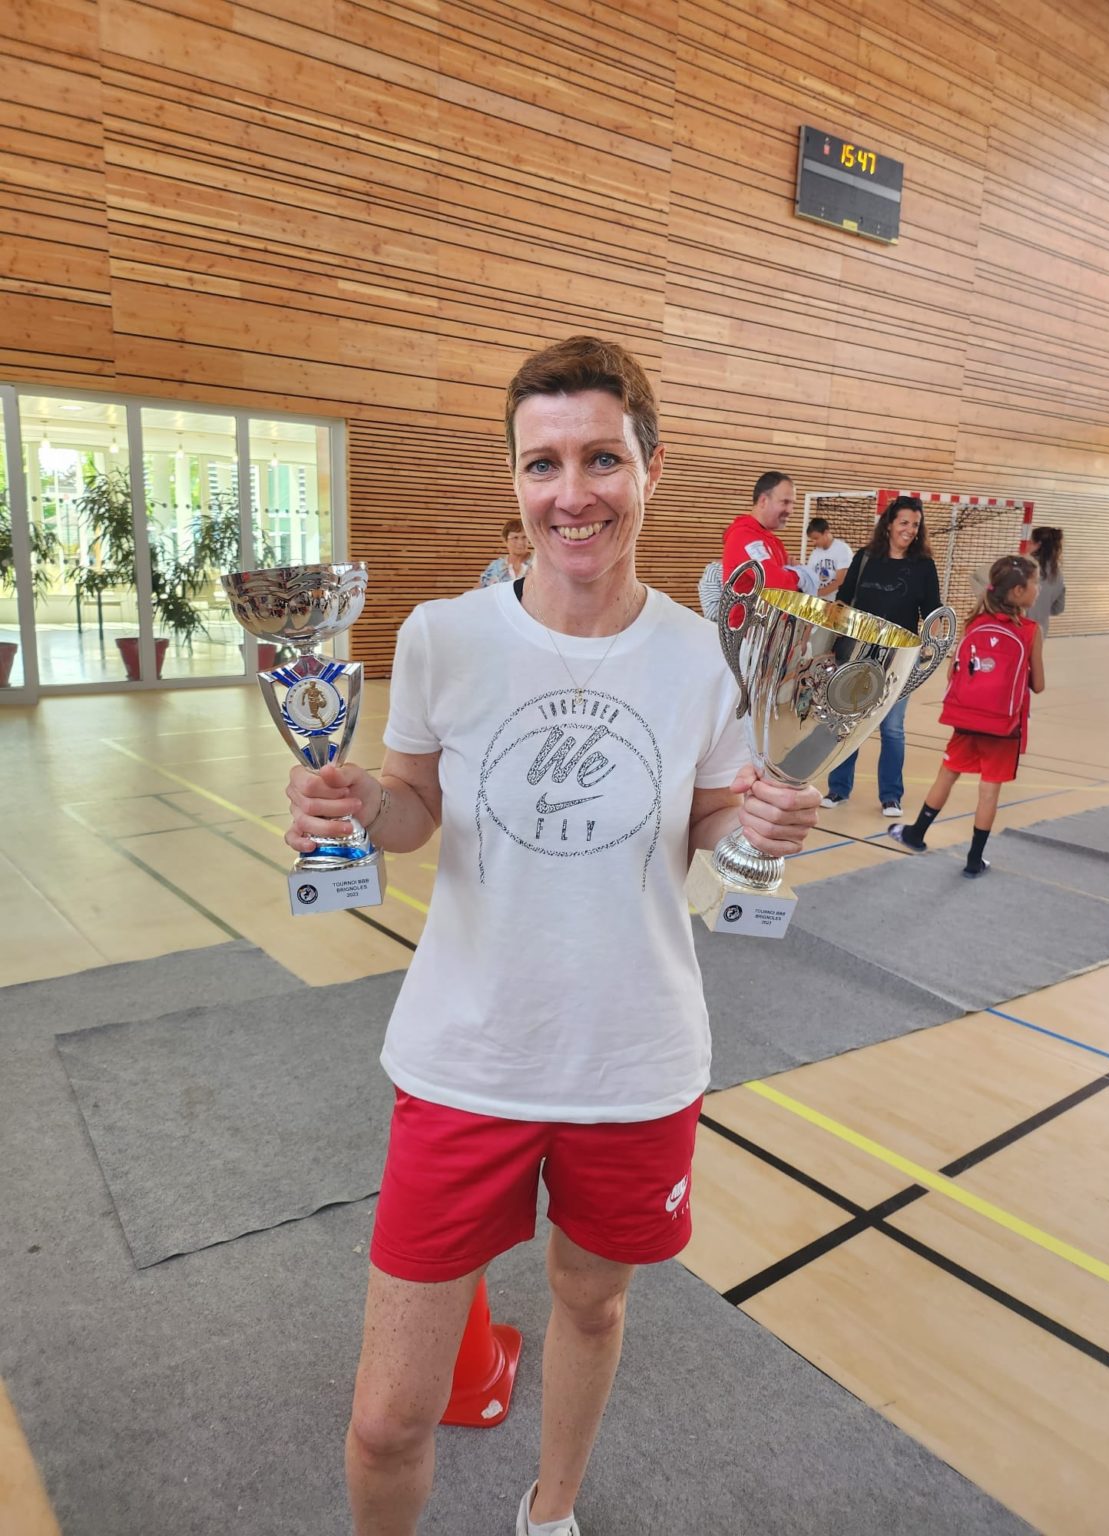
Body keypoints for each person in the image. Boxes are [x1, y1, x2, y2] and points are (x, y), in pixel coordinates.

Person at [284, 335, 820, 1536]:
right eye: (543, 464)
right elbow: (414, 812)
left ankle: (552, 1511)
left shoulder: (705, 657)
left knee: (591, 1305)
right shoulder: (443, 636)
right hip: (466, 1058)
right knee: (387, 1420)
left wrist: (760, 819)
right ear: (515, 479)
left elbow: (708, 823)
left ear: (652, 466)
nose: (572, 494)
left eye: (601, 459)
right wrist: (356, 803)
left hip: (631, 1060)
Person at [889, 554, 1044, 876]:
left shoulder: (975, 624)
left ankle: (916, 833)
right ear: (1018, 591)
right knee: (989, 791)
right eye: (1035, 583)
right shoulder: (1030, 631)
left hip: (968, 720)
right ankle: (974, 860)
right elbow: (1038, 685)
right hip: (1004, 727)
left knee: (947, 774)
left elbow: (954, 674)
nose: (1038, 589)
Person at [820, 495, 941, 818]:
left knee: (892, 728)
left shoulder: (924, 566)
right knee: (848, 722)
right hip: (857, 654)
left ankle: (891, 796)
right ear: (889, 524)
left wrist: (931, 646)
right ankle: (838, 788)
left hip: (899, 660)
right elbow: (844, 601)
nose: (910, 530)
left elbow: (932, 612)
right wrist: (830, 643)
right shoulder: (864, 558)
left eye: (915, 524)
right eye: (904, 522)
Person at [721, 471, 818, 594]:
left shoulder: (771, 541)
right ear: (763, 501)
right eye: (785, 502)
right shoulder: (742, 536)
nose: (790, 510)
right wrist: (800, 575)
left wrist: (790, 573)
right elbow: (778, 585)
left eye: (792, 504)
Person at [1026, 526, 1065, 635]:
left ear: (1037, 545)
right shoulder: (1058, 575)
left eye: (1030, 542)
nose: (1027, 545)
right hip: (1039, 632)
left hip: (1016, 630)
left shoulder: (1023, 567)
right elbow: (1058, 608)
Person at [805, 518, 853, 597]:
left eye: (816, 538)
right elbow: (810, 577)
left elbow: (841, 580)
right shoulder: (815, 553)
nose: (814, 542)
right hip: (819, 600)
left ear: (826, 533)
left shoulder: (842, 549)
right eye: (812, 540)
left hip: (836, 601)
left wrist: (818, 594)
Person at [478, 518, 533, 586]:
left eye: (524, 537)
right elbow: (479, 589)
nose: (520, 542)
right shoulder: (496, 567)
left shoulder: (538, 564)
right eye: (515, 538)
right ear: (505, 541)